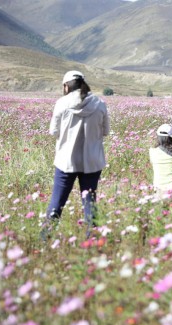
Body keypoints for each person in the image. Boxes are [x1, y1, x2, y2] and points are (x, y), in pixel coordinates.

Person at [42, 70, 110, 240]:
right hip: (92, 162)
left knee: (57, 202)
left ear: (66, 86)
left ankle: (45, 238)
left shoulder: (62, 103)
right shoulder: (100, 103)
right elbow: (106, 131)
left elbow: (53, 132)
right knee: (89, 203)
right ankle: (92, 240)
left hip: (66, 161)